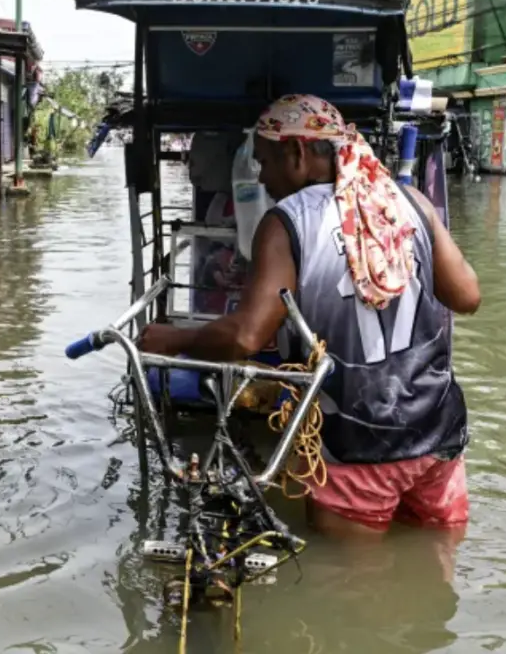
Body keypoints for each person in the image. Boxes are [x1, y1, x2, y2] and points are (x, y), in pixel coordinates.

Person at [141, 94, 481, 537]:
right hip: (439, 435)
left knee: (347, 592)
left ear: (297, 152)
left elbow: (246, 336)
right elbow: (468, 296)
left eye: (264, 161)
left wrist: (172, 340)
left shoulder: (286, 222)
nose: (261, 177)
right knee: (432, 571)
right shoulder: (409, 200)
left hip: (360, 446)